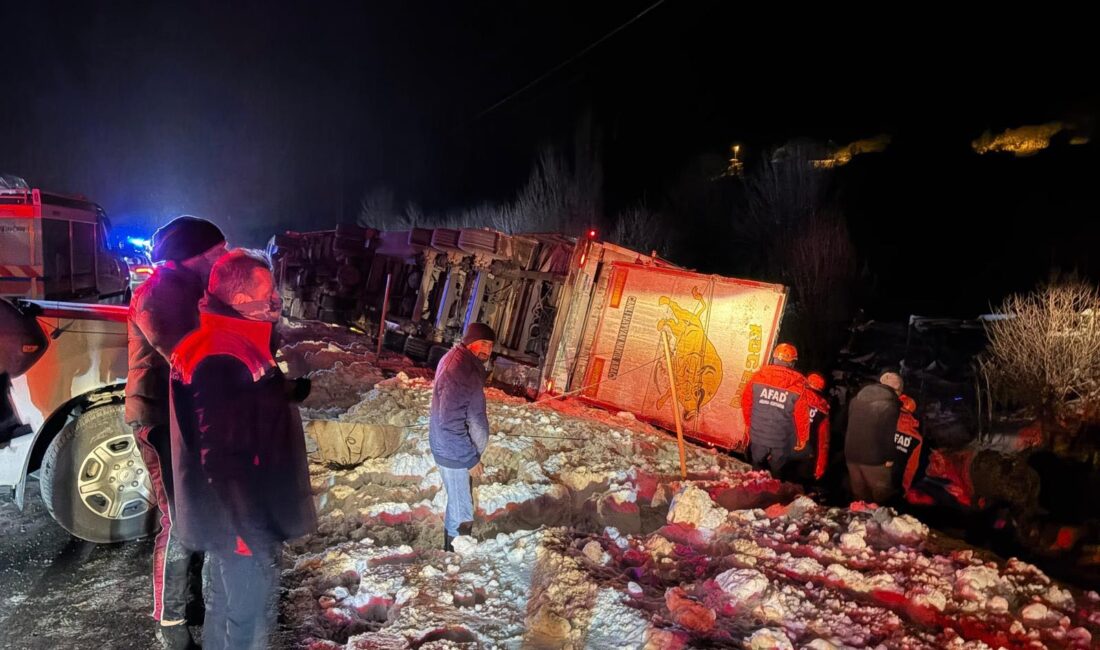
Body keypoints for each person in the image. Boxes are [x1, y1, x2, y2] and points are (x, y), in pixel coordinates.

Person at [169, 249, 317, 650]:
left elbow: (241, 404)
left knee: (225, 604)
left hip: (234, 515)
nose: (275, 301)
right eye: (268, 294)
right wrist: (247, 530)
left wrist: (285, 391)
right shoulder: (222, 356)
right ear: (239, 300)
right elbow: (222, 457)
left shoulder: (229, 342)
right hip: (239, 519)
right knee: (248, 618)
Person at [126, 216, 226, 649]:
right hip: (160, 419)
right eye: (216, 253)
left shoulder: (195, 290)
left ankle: (191, 601)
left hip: (188, 416)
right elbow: (188, 357)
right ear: (192, 255)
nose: (222, 260)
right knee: (180, 520)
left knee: (200, 511)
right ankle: (169, 621)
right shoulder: (158, 294)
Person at [429, 322, 495, 552]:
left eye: (491, 345)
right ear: (470, 342)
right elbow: (449, 422)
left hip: (455, 450)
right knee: (463, 512)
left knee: (457, 503)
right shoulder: (459, 370)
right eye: (483, 343)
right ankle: (456, 558)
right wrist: (470, 459)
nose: (487, 350)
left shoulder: (465, 364)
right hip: (455, 453)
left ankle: (449, 552)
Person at [740, 342, 810, 475]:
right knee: (776, 471)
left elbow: (746, 403)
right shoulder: (798, 387)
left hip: (758, 435)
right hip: (781, 440)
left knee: (756, 467)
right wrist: (802, 438)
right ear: (792, 363)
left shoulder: (757, 377)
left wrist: (749, 425)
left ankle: (755, 482)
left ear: (774, 358)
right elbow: (802, 416)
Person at [845, 371, 904, 503]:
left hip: (851, 456)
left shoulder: (856, 399)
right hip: (875, 460)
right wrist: (890, 457)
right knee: (882, 498)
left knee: (860, 499)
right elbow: (889, 433)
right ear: (897, 389)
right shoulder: (890, 404)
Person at [788, 371, 831, 483]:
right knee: (796, 489)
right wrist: (820, 466)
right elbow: (823, 442)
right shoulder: (823, 409)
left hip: (783, 449)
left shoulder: (792, 396)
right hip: (806, 455)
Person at [893, 394, 925, 497]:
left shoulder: (886, 422)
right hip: (897, 481)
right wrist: (905, 488)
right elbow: (911, 468)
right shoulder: (917, 439)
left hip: (875, 473)